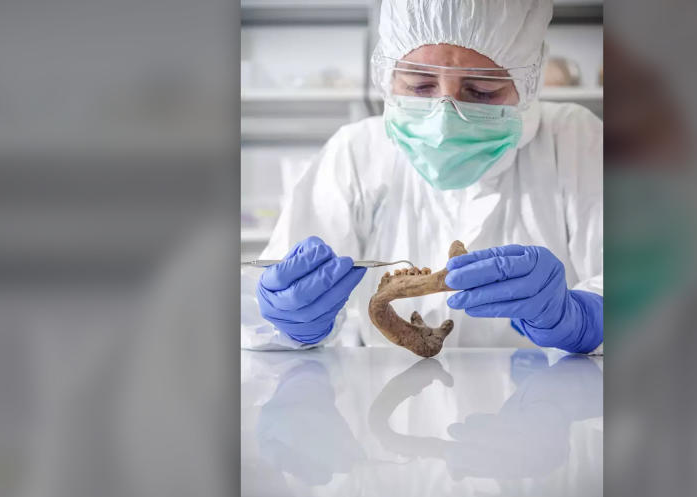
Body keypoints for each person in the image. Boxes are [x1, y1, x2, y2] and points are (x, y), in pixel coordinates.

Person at [241, 0, 602, 354]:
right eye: (419, 86)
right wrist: (289, 321)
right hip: (386, 400)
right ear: (389, 76)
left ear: (526, 85)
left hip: (548, 403)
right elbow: (265, 312)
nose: (444, 120)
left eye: (481, 91)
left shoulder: (576, 140)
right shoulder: (356, 151)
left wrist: (584, 317)